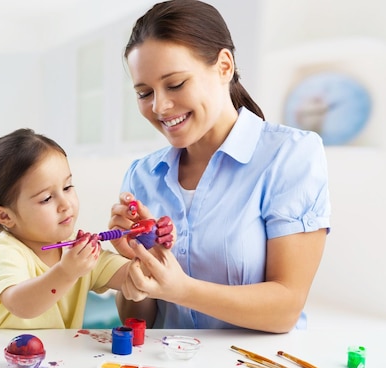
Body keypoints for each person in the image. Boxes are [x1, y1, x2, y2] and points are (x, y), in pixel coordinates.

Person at [109, 0, 331, 333]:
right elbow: (135, 319)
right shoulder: (142, 175)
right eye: (144, 92)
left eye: (175, 84)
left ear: (224, 66)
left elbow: (285, 308)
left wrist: (181, 289)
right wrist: (138, 266)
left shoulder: (290, 155)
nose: (160, 106)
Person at [0, 128, 171, 329]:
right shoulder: (5, 251)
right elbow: (21, 306)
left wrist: (151, 245)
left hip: (46, 361)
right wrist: (66, 272)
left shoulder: (78, 251)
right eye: (46, 198)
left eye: (67, 187)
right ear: (4, 216)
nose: (65, 204)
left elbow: (137, 277)